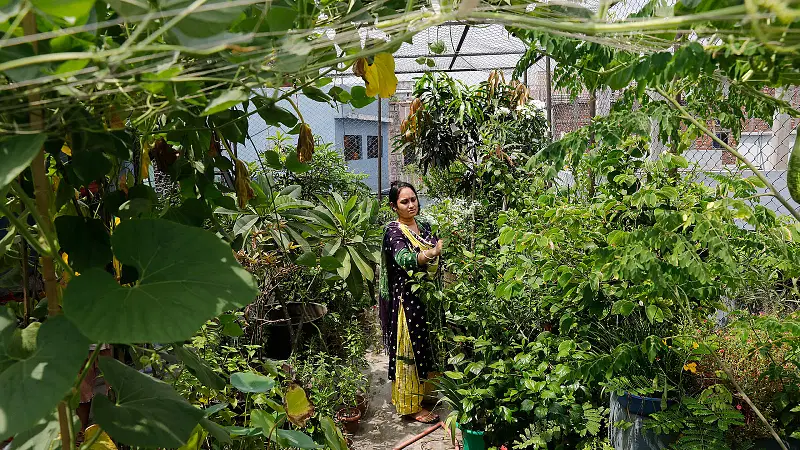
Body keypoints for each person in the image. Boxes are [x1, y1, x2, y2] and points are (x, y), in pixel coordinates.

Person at [379, 181, 444, 423]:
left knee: (428, 345)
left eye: (413, 199)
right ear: (394, 206)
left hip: (428, 298)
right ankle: (410, 405)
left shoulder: (425, 225)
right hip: (407, 300)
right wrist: (431, 253)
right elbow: (404, 259)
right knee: (410, 349)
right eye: (404, 202)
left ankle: (426, 394)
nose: (411, 205)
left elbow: (437, 245)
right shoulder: (393, 232)